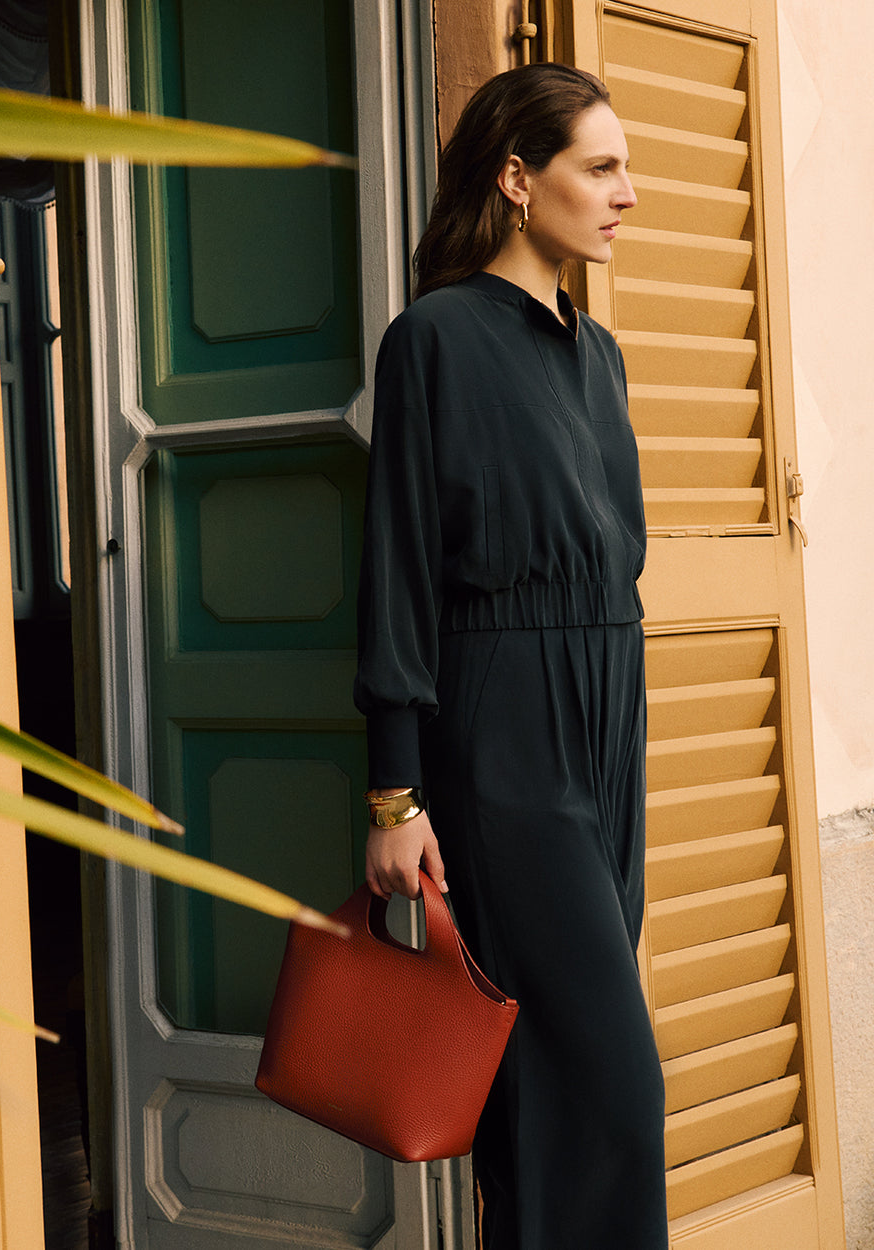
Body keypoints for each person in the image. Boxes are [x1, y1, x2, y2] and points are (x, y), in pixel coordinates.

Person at [354, 63, 669, 1249]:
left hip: (606, 714)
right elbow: (399, 579)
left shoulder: (600, 358)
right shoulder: (431, 340)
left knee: (546, 1083)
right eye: (601, 167)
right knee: (614, 1084)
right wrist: (395, 791)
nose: (626, 194)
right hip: (505, 727)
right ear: (515, 177)